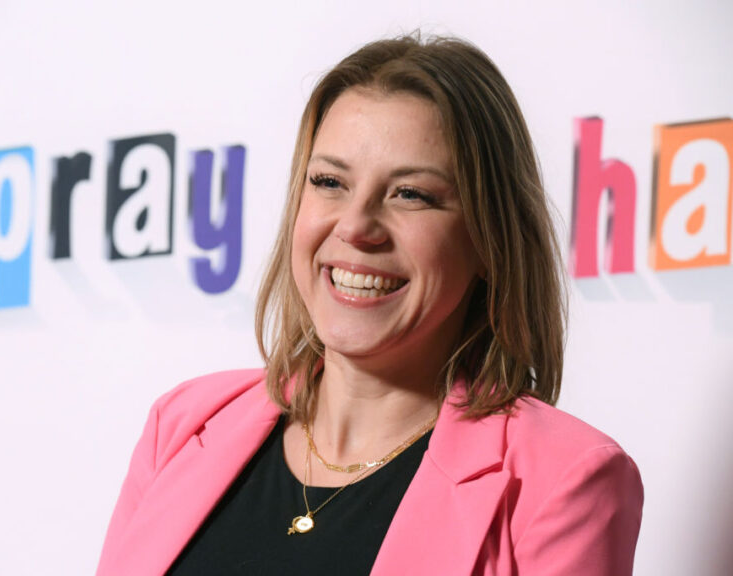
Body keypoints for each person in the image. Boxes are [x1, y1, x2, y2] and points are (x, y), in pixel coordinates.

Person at [96, 34, 643, 576]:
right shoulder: (183, 425)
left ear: (489, 240)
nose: (356, 227)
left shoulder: (564, 480)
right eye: (330, 182)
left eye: (411, 194)